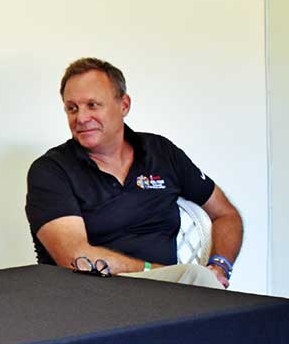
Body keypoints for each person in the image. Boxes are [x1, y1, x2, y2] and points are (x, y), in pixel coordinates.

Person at [25, 57, 243, 287]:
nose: (81, 118)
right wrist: (159, 272)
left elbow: (226, 214)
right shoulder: (51, 170)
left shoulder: (161, 152)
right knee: (197, 280)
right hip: (89, 296)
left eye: (92, 105)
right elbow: (76, 259)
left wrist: (220, 267)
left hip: (171, 298)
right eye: (72, 108)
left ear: (124, 105)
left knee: (209, 289)